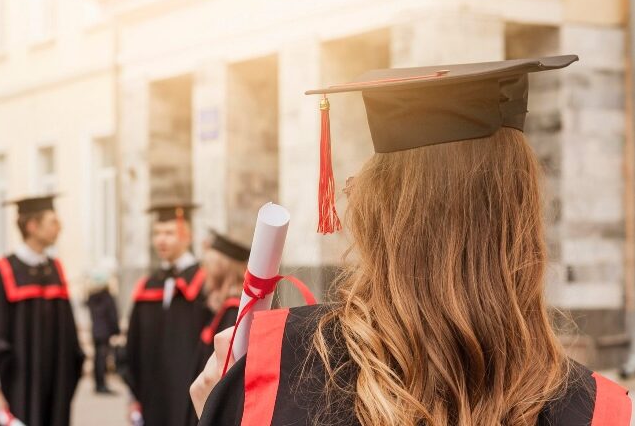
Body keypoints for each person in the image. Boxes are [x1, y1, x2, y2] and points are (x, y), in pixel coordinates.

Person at [192, 55, 633, 425]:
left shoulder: (285, 366)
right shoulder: (598, 410)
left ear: (377, 213)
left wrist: (222, 407)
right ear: (522, 222)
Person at [0, 195, 84, 426]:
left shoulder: (55, 271)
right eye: (52, 221)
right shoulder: (1, 273)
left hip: (49, 391)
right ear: (32, 226)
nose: (59, 226)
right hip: (12, 390)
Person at [125, 202, 212, 426]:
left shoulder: (205, 283)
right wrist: (135, 395)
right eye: (157, 233)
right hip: (153, 398)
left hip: (190, 394)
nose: (161, 240)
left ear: (187, 236)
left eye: (169, 233)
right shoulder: (148, 285)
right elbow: (133, 346)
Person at [184, 230, 249, 425]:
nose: (203, 273)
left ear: (220, 271)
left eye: (207, 266)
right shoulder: (224, 308)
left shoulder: (234, 313)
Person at [86, 268, 121, 395]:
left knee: (97, 358)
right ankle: (102, 385)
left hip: (95, 331)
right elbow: (112, 315)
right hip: (105, 331)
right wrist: (116, 330)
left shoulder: (91, 298)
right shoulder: (107, 297)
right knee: (102, 358)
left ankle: (98, 384)